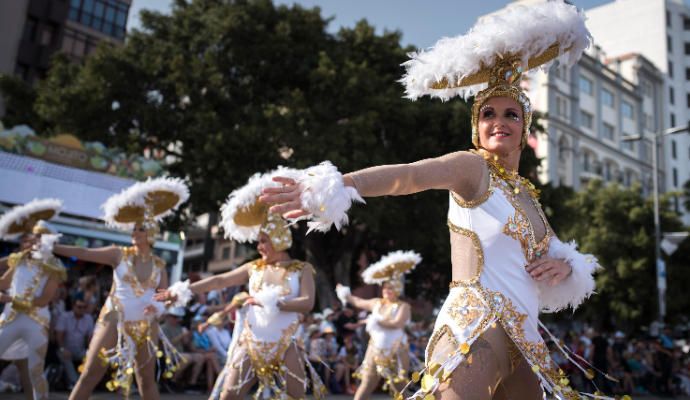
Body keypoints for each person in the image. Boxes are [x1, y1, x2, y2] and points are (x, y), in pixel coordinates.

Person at [260, 2, 613, 399]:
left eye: (512, 114)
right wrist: (338, 185)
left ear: (524, 126)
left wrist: (565, 267)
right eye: (488, 114)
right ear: (477, 129)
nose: (499, 121)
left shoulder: (528, 196)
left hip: (526, 339)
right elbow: (408, 176)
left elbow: (552, 254)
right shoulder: (470, 169)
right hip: (477, 326)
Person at [156, 170, 326, 400]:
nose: (259, 247)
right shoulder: (253, 267)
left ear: (279, 239)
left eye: (263, 241)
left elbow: (307, 303)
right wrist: (181, 290)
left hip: (287, 344)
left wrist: (273, 302)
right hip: (251, 343)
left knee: (295, 396)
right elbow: (219, 280)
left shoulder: (301, 269)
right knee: (229, 396)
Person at [52, 177, 189, 399]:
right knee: (91, 372)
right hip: (115, 317)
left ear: (152, 232)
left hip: (146, 325)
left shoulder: (160, 265)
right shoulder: (118, 254)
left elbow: (164, 297)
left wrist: (158, 308)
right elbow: (84, 252)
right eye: (134, 229)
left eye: (141, 229)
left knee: (146, 379)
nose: (135, 233)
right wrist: (54, 247)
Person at [0, 199, 66, 400]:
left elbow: (43, 300)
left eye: (39, 236)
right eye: (33, 236)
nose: (34, 240)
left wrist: (10, 298)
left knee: (34, 371)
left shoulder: (54, 266)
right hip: (10, 319)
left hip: (36, 323)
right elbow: (3, 283)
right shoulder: (19, 259)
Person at [337, 250, 419, 399]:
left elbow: (397, 323)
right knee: (367, 383)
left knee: (400, 387)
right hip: (374, 349)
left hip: (396, 350)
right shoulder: (376, 303)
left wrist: (376, 321)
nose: (387, 291)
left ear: (398, 290)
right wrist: (345, 294)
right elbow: (358, 302)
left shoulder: (403, 306)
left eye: (391, 288)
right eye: (386, 288)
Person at [55, 298, 95, 390]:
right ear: (73, 307)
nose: (82, 309)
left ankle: (87, 383)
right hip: (65, 348)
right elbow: (59, 335)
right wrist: (62, 348)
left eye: (84, 307)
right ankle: (75, 382)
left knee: (92, 356)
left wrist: (92, 351)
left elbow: (90, 338)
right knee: (65, 356)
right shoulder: (64, 317)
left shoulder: (88, 318)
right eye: (79, 307)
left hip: (80, 350)